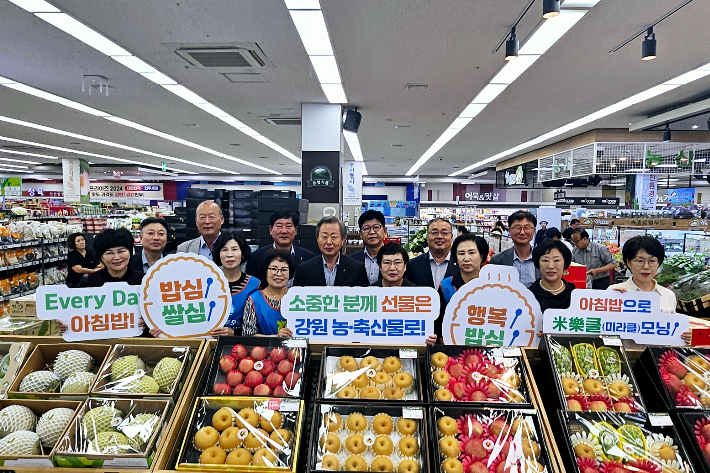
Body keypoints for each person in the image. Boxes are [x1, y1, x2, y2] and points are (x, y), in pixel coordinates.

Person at [58, 229, 149, 336]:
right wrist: (66, 323)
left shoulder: (144, 280)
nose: (116, 257)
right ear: (101, 257)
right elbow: (76, 313)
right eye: (109, 253)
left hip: (137, 340)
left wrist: (148, 321)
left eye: (121, 251)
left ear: (130, 252)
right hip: (101, 341)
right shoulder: (90, 281)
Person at [609, 236, 691, 344]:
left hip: (658, 358)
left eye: (652, 261)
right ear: (628, 262)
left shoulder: (668, 295)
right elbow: (604, 330)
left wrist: (683, 334)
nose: (646, 266)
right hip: (625, 356)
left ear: (659, 263)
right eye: (640, 261)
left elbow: (672, 329)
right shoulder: (613, 291)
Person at [427, 234, 489, 345]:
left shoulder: (492, 286)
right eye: (461, 253)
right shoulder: (446, 285)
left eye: (471, 253)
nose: (466, 258)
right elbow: (438, 322)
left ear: (482, 255)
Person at [293, 216, 370, 287]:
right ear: (317, 239)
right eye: (324, 237)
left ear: (343, 240)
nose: (329, 242)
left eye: (334, 237)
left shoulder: (357, 268)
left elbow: (365, 297)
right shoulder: (304, 269)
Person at [210, 231, 260, 337]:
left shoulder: (255, 285)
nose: (229, 255)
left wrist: (234, 333)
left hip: (243, 344)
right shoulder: (209, 283)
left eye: (234, 249)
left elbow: (259, 325)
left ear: (242, 254)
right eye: (224, 250)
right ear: (218, 254)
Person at [247, 210, 313, 285]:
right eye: (279, 226)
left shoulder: (307, 257)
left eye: (288, 226)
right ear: (271, 230)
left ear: (295, 230)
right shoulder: (255, 258)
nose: (284, 231)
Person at [242, 249, 294, 337]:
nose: (279, 274)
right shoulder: (254, 300)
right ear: (265, 271)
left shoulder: (297, 297)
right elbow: (248, 336)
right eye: (273, 269)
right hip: (265, 350)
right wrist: (276, 337)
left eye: (284, 270)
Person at [489, 210, 540, 288]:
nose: (522, 232)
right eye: (517, 228)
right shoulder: (497, 260)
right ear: (510, 231)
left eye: (527, 228)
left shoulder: (542, 259)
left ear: (534, 230)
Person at [404, 218, 460, 288]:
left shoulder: (461, 265)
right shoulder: (412, 265)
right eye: (434, 232)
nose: (439, 236)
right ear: (427, 237)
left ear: (452, 237)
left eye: (444, 233)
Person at [528, 239, 576, 313]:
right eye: (545, 260)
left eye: (556, 260)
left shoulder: (574, 295)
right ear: (538, 263)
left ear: (565, 263)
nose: (551, 266)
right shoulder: (529, 295)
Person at [349, 210, 387, 284]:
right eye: (366, 228)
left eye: (376, 227)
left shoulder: (394, 260)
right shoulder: (351, 260)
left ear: (384, 232)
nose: (372, 232)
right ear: (360, 234)